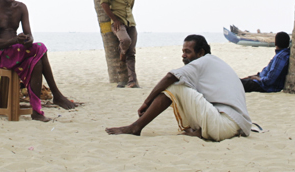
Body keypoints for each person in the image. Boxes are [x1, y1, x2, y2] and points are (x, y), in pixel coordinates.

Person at [105, 35, 251, 141]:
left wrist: (147, 102)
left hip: (224, 126)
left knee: (175, 86)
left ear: (200, 53)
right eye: (183, 51)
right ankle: (201, 132)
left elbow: (170, 76)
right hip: (236, 126)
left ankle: (136, 127)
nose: (183, 55)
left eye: (188, 52)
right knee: (185, 87)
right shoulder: (214, 64)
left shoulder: (204, 61)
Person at [0, 0, 76, 121]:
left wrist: (27, 39)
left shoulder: (21, 8)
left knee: (37, 62)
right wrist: (16, 40)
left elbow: (29, 36)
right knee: (41, 48)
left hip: (16, 51)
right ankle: (56, 95)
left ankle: (36, 112)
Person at [101, 0, 138, 88]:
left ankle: (132, 81)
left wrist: (129, 21)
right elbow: (104, 3)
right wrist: (115, 19)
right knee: (125, 40)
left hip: (131, 23)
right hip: (118, 23)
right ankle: (121, 54)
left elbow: (130, 7)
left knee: (132, 53)